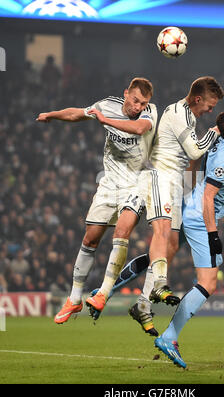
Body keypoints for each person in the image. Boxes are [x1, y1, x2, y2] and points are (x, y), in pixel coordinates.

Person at [88, 77, 224, 335]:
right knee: (158, 237)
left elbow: (187, 160)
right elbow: (195, 152)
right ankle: (110, 291)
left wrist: (187, 191)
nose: (211, 110)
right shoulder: (179, 113)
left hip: (170, 184)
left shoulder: (188, 117)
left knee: (168, 245)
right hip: (159, 179)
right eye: (210, 104)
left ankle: (140, 302)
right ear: (198, 99)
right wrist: (215, 131)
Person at [36, 77, 157, 324]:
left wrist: (104, 121)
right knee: (90, 239)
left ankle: (102, 293)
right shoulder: (107, 105)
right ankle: (74, 298)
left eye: (143, 103)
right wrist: (53, 114)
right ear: (126, 94)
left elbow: (139, 129)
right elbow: (77, 114)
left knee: (122, 231)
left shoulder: (150, 113)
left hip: (138, 181)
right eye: (135, 101)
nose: (138, 107)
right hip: (109, 183)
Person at [154, 110, 224, 368]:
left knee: (164, 250)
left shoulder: (218, 138)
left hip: (189, 204)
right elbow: (209, 197)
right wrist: (213, 235)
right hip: (200, 216)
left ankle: (111, 287)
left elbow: (195, 155)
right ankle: (169, 337)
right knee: (208, 282)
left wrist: (185, 193)